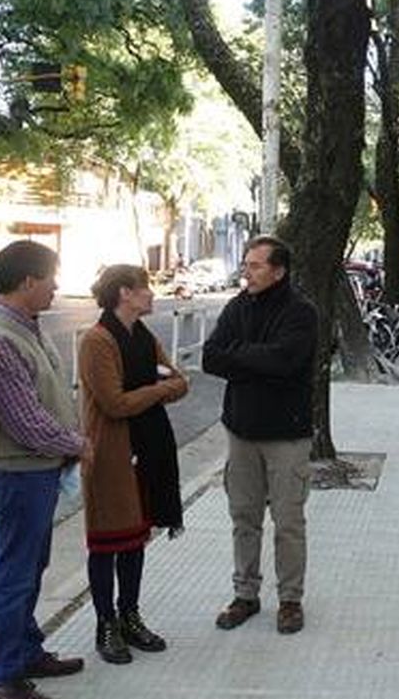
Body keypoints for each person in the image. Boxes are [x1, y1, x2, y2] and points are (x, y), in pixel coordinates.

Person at [0, 241, 88, 699]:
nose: (56, 286)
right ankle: (2, 674)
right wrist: (78, 444)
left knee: (30, 567)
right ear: (27, 281)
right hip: (17, 472)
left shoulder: (27, 326)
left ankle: (25, 651)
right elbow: (25, 422)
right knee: (13, 573)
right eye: (51, 277)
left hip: (39, 471)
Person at [202, 236, 318, 635]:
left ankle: (290, 600)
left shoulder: (301, 312)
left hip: (286, 434)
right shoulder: (238, 307)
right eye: (246, 264)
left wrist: (241, 356)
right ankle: (245, 594)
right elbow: (210, 357)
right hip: (241, 431)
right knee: (243, 517)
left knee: (288, 521)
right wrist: (254, 358)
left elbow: (286, 362)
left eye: (255, 266)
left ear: (278, 271)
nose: (245, 272)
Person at [78, 264, 188, 663]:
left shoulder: (143, 336)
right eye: (145, 288)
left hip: (147, 449)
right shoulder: (97, 340)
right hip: (110, 453)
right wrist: (158, 389)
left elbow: (181, 382)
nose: (151, 294)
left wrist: (152, 389)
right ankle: (105, 622)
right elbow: (114, 403)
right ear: (125, 292)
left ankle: (130, 614)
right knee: (108, 539)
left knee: (135, 538)